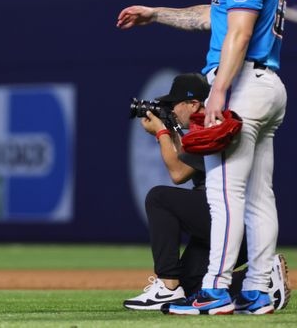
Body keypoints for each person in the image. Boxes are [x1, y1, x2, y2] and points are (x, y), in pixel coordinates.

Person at [117, 0, 288, 315]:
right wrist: (156, 13)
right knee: (258, 195)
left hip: (244, 80)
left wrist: (218, 91)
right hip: (268, 83)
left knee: (223, 191)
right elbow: (212, 16)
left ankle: (214, 290)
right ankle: (258, 289)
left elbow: (239, 33)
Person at [123, 74, 291, 312]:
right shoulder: (211, 126)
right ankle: (262, 282)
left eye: (175, 104)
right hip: (238, 226)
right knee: (192, 286)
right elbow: (186, 159)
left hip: (230, 220)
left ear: (193, 104)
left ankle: (167, 287)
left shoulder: (214, 126)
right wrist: (170, 131)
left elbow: (179, 173)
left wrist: (161, 134)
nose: (172, 110)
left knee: (159, 198)